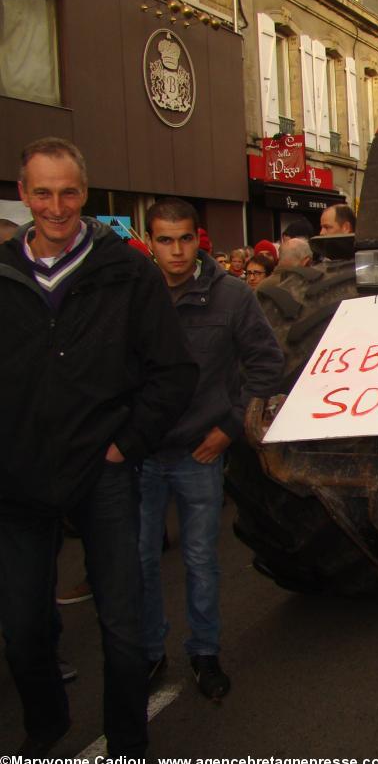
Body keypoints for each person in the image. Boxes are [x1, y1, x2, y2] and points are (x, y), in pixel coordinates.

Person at [0, 137, 197, 756]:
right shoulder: (3, 273)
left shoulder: (128, 271)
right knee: (24, 628)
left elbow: (174, 372)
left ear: (84, 194)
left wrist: (126, 444)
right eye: (42, 193)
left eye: (67, 192)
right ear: (23, 194)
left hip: (105, 474)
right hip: (19, 478)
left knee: (122, 622)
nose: (56, 206)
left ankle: (129, 740)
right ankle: (45, 728)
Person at [141, 198, 282, 701]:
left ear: (198, 238)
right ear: (149, 240)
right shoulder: (133, 293)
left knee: (201, 558)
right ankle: (148, 652)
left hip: (198, 451)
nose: (176, 251)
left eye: (184, 239)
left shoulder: (232, 297)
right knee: (138, 560)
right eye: (164, 239)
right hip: (140, 451)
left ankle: (204, 651)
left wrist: (228, 427)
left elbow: (267, 365)